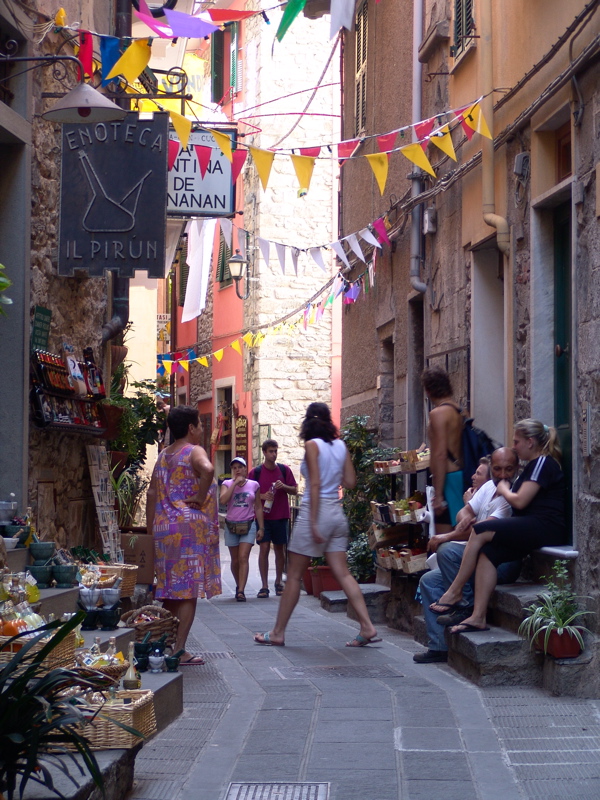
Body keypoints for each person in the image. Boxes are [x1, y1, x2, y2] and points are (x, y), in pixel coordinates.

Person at [254, 402, 381, 648]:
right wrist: (334, 471)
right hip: (336, 513)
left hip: (316, 512)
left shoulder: (312, 445)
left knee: (293, 576)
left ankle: (278, 632)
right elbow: (351, 482)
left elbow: (313, 484)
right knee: (343, 573)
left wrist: (312, 523)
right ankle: (367, 626)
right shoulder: (341, 446)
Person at [434, 419, 566, 635]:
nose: (514, 446)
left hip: (545, 526)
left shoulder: (542, 462)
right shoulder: (532, 466)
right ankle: (478, 617)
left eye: (516, 442)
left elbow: (520, 501)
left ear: (530, 442)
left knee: (480, 530)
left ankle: (456, 590)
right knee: (488, 553)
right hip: (530, 526)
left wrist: (504, 489)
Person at [414, 447, 521, 663]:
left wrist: (448, 535)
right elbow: (465, 514)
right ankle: (439, 647)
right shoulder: (489, 487)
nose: (502, 475)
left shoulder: (510, 497)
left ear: (517, 468)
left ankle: (466, 605)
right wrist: (465, 514)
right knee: (429, 581)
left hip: (498, 563)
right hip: (478, 557)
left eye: (508, 469)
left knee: (447, 551)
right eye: (497, 469)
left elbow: (480, 528)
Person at [147, 405, 222, 666]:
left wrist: (150, 531)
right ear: (190, 428)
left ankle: (161, 645)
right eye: (200, 424)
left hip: (163, 528)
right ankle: (179, 650)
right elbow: (208, 469)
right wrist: (199, 498)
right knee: (188, 591)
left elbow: (152, 494)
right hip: (187, 530)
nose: (201, 430)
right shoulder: (194, 451)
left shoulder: (163, 455)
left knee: (169, 591)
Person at [249, 439, 297, 598]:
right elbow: (248, 494)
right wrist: (262, 496)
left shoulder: (284, 470)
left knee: (279, 549)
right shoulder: (255, 473)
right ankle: (264, 586)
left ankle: (278, 582)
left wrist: (284, 486)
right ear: (264, 452)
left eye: (275, 451)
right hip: (262, 517)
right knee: (263, 548)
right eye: (271, 451)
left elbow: (294, 490)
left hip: (281, 515)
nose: (274, 454)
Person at [421, 367, 464, 533]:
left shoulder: (438, 414)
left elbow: (440, 454)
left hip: (448, 479)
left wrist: (438, 495)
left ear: (428, 390)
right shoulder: (461, 411)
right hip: (461, 475)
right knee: (460, 533)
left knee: (445, 537)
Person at [220, 457, 265, 602]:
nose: (237, 470)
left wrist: (261, 527)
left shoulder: (254, 485)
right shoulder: (227, 484)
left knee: (243, 557)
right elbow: (223, 500)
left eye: (240, 467)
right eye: (234, 468)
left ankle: (241, 590)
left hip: (248, 524)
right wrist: (234, 484)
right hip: (231, 525)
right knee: (235, 561)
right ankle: (239, 584)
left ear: (245, 469)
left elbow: (258, 507)